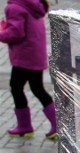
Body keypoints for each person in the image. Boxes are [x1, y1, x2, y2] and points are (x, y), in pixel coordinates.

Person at [0, 0, 55, 139]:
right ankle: (55, 124)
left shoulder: (14, 7)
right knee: (36, 88)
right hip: (35, 54)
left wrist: (2, 33)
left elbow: (16, 33)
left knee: (16, 87)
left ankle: (25, 126)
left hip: (24, 56)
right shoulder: (34, 4)